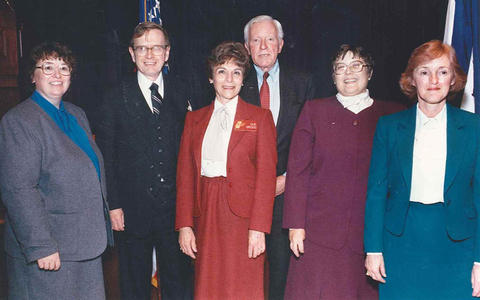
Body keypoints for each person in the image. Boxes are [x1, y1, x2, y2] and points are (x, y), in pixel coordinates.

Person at [282, 44, 403, 299]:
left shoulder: (392, 115)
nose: (348, 72)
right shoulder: (314, 111)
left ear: (369, 72)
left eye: (356, 65)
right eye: (340, 67)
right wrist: (295, 224)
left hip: (370, 236)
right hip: (318, 235)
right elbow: (298, 170)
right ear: (333, 76)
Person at [364, 40, 480, 299]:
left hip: (458, 246)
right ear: (412, 79)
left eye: (443, 71)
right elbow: (376, 193)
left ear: (453, 79)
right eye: (424, 71)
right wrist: (373, 249)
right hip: (401, 242)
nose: (434, 80)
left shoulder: (474, 128)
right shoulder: (389, 127)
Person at [0, 41, 113, 299]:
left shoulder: (76, 114)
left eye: (64, 68)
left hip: (83, 245)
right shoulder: (19, 121)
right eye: (48, 67)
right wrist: (41, 246)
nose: (57, 74)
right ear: (32, 75)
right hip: (51, 250)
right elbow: (18, 190)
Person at [95, 22, 193, 300]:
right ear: (131, 53)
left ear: (167, 52)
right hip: (132, 210)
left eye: (156, 47)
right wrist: (113, 205)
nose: (149, 54)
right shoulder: (114, 97)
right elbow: (108, 156)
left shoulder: (185, 91)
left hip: (176, 211)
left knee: (179, 283)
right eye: (142, 48)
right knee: (133, 284)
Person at [176, 41, 277, 300]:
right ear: (211, 78)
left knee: (244, 286)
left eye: (236, 72)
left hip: (244, 218)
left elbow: (266, 179)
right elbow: (185, 176)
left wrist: (259, 228)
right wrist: (185, 225)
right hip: (206, 212)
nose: (229, 79)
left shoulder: (260, 118)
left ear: (244, 79)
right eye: (221, 71)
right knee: (208, 286)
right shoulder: (193, 119)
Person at [240, 15, 316, 300]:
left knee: (282, 278)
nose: (263, 46)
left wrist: (287, 180)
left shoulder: (304, 83)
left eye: (270, 39)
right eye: (256, 40)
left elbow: (311, 141)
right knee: (247, 274)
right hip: (245, 197)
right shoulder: (234, 82)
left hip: (288, 196)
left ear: (281, 45)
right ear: (246, 47)